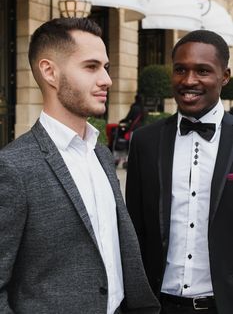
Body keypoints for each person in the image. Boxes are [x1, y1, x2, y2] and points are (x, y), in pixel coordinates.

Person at [0, 17, 160, 314]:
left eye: (106, 67)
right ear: (50, 72)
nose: (107, 80)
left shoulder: (100, 153)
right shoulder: (13, 167)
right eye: (91, 67)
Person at [126, 29, 233, 314]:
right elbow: (134, 230)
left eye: (202, 71)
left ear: (225, 76)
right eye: (180, 70)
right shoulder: (144, 141)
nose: (188, 81)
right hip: (158, 305)